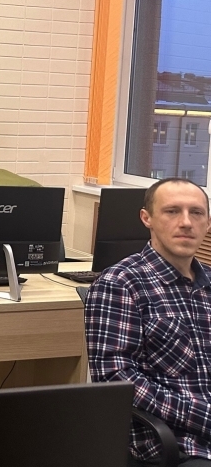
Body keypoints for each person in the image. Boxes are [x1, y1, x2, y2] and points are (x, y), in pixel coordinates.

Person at [86, 178, 211, 467]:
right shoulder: (120, 284)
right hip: (175, 444)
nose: (186, 222)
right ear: (147, 219)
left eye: (196, 213)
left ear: (208, 223)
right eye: (172, 211)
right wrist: (202, 417)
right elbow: (116, 379)